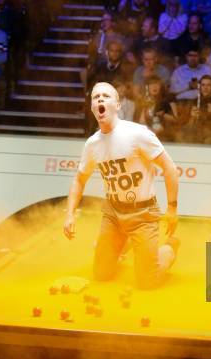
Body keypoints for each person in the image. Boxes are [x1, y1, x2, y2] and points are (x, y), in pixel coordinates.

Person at [64, 82, 180, 290]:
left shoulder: (137, 134)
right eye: (96, 97)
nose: (100, 99)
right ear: (92, 107)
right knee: (101, 274)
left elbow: (170, 168)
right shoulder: (92, 144)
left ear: (117, 105)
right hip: (113, 214)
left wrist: (172, 208)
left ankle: (169, 248)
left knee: (148, 282)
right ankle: (123, 243)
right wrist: (70, 214)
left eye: (106, 96)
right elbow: (79, 180)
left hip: (143, 215)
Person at [176, 74, 211, 143]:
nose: (205, 88)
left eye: (208, 85)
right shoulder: (196, 100)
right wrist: (192, 116)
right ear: (199, 87)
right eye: (203, 85)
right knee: (180, 134)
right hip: (197, 128)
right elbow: (187, 122)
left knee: (199, 135)